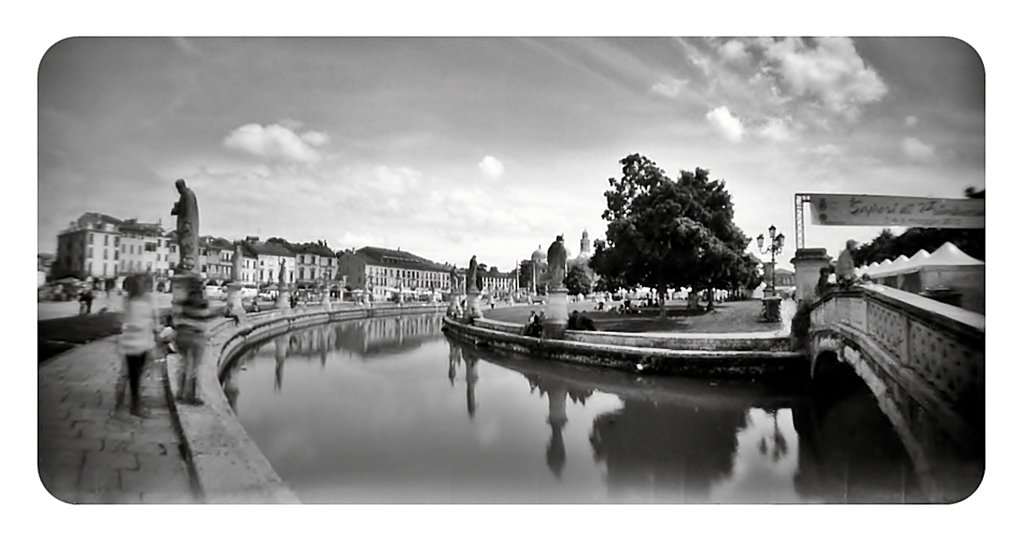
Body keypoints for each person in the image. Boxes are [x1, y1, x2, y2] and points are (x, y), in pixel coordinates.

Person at [115, 275, 160, 417]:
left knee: (130, 374)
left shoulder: (127, 302)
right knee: (136, 375)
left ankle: (122, 402)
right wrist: (156, 330)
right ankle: (135, 406)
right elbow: (150, 321)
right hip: (140, 343)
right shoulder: (144, 303)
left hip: (130, 343)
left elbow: (123, 321)